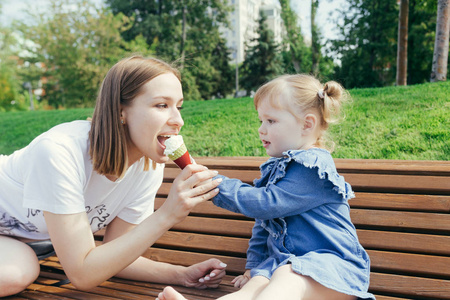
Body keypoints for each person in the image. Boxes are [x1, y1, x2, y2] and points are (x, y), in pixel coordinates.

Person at [0, 55, 226, 297]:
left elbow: (112, 256)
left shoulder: (146, 166)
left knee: (19, 269)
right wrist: (168, 214)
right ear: (121, 112)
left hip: (15, 241)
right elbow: (83, 274)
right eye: (161, 105)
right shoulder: (59, 152)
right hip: (20, 241)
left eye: (178, 106)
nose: (178, 120)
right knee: (17, 273)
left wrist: (181, 274)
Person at [156, 74, 375, 300]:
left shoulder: (313, 168)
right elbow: (264, 225)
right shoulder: (278, 170)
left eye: (271, 121)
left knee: (286, 274)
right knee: (256, 284)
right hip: (285, 267)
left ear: (307, 124)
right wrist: (253, 267)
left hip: (330, 270)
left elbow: (265, 205)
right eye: (261, 121)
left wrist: (211, 182)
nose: (261, 129)